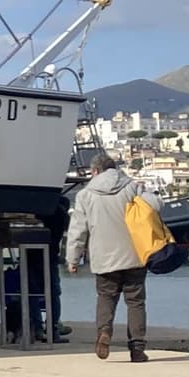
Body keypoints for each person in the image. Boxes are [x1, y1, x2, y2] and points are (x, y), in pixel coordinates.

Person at [65, 152, 158, 362]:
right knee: (135, 302)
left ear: (95, 171)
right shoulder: (132, 187)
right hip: (134, 252)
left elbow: (78, 230)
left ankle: (104, 333)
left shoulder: (85, 195)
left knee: (106, 297)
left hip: (103, 256)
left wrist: (73, 259)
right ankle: (137, 348)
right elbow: (155, 206)